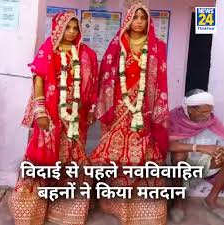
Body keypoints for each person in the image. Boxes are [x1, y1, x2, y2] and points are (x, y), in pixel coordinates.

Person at [9, 11, 99, 225]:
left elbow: (93, 84)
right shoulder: (48, 48)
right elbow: (38, 80)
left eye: (75, 28)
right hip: (50, 112)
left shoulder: (87, 54)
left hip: (77, 116)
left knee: (71, 159)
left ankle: (66, 212)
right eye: (67, 27)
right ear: (58, 27)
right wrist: (40, 110)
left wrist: (93, 109)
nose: (71, 32)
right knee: (42, 158)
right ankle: (31, 211)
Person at [90, 3, 169, 225]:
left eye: (144, 17)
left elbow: (159, 80)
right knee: (115, 152)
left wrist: (152, 108)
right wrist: (106, 104)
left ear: (149, 21)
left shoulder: (157, 47)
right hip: (119, 106)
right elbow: (106, 74)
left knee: (142, 153)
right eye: (135, 17)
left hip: (144, 108)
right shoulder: (117, 45)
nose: (140, 21)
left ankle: (142, 205)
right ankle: (112, 201)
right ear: (128, 20)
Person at [169, 89, 224, 222]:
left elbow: (221, 139)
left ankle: (211, 199)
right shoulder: (174, 118)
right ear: (190, 109)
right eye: (204, 112)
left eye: (210, 110)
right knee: (179, 155)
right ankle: (178, 203)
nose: (208, 115)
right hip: (177, 164)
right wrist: (200, 148)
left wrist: (220, 152)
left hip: (203, 163)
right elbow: (167, 145)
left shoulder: (212, 120)